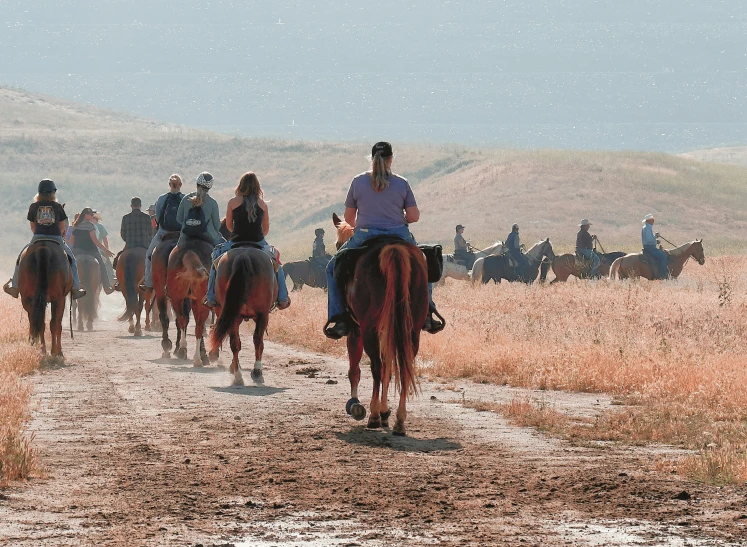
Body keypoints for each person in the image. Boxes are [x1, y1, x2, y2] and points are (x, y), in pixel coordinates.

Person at [324, 141, 443, 339]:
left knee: (331, 268)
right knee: (423, 263)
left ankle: (340, 317)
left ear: (371, 160)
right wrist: (397, 219)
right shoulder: (402, 182)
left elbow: (350, 219)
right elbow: (414, 216)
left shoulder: (358, 181)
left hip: (365, 234)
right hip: (399, 234)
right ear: (391, 159)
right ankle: (428, 313)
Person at [203, 172, 290, 310]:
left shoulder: (233, 202)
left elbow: (229, 226)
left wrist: (239, 233)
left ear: (241, 185)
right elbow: (265, 229)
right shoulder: (262, 205)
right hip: (258, 243)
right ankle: (282, 298)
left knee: (215, 260)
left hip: (236, 242)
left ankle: (211, 296)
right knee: (277, 264)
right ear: (257, 186)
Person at [3, 179, 86, 300]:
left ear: (39, 192)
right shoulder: (57, 207)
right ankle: (76, 288)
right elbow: (62, 227)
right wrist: (60, 233)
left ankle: (15, 287)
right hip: (56, 238)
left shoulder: (33, 206)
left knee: (20, 259)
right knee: (72, 259)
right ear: (53, 193)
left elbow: (32, 226)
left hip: (38, 237)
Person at [141, 174, 184, 291]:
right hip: (181, 234)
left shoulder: (162, 198)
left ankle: (149, 284)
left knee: (149, 255)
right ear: (180, 185)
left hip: (164, 233)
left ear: (169, 185)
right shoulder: (185, 199)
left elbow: (158, 218)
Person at [69, 207, 116, 293]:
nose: (92, 216)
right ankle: (106, 287)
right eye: (91, 214)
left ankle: (70, 286)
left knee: (69, 265)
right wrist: (106, 250)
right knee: (102, 265)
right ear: (86, 215)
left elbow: (72, 241)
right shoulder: (90, 226)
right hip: (91, 250)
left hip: (77, 250)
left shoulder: (75, 225)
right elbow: (95, 240)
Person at [112, 197, 154, 290]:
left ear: (131, 206)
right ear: (140, 206)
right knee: (154, 262)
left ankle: (119, 281)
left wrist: (128, 240)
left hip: (130, 245)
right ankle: (151, 281)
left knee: (116, 261)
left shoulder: (125, 218)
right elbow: (150, 233)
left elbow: (123, 234)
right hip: (144, 245)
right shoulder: (146, 217)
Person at [176, 171, 223, 247]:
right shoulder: (212, 203)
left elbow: (179, 219)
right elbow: (217, 226)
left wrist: (191, 224)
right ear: (209, 187)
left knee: (172, 256)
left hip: (186, 236)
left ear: (197, 183)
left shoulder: (186, 199)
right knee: (224, 249)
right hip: (208, 235)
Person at [642, 213, 668, 279]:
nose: (653, 221)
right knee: (663, 257)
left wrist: (655, 241)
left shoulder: (646, 227)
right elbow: (648, 239)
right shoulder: (647, 228)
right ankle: (662, 275)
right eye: (652, 220)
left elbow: (649, 239)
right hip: (650, 248)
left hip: (649, 246)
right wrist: (655, 236)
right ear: (648, 221)